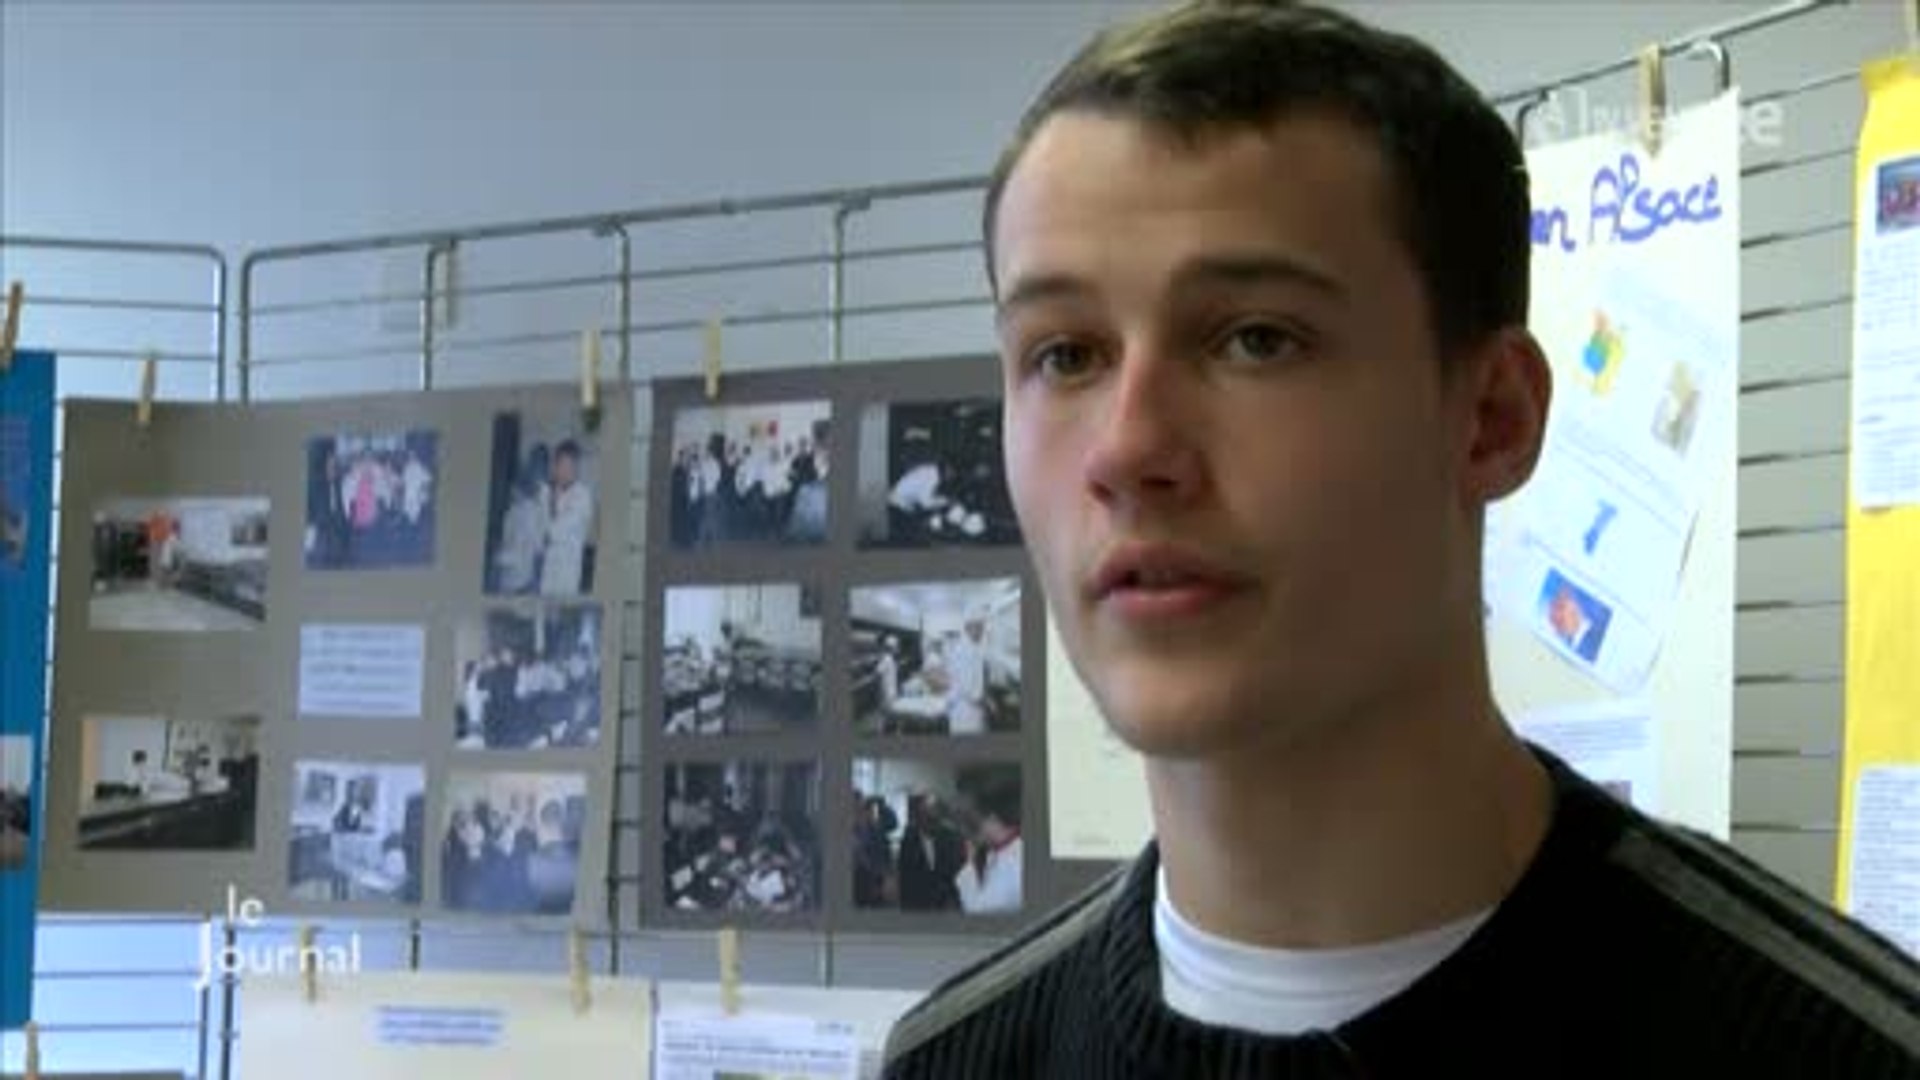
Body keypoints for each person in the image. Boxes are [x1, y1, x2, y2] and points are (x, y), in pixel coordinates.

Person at [881, 3, 1920, 1077]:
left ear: (1492, 419)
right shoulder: (953, 1062)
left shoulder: (1844, 1055)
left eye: (1255, 338)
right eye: (1064, 355)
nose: (1129, 447)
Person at [539, 440, 594, 596]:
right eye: (562, 466)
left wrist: (553, 501)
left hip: (567, 576)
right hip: (546, 571)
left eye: (571, 467)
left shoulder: (583, 496)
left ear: (577, 468)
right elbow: (540, 534)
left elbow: (553, 533)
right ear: (555, 466)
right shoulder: (546, 492)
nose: (566, 472)